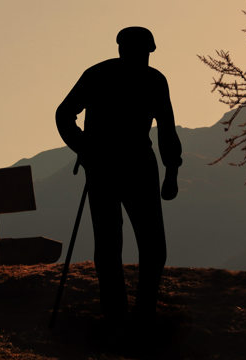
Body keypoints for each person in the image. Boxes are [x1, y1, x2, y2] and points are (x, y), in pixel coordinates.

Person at [55, 27, 182, 333]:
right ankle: (130, 316)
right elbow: (64, 114)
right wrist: (170, 171)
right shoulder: (149, 79)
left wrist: (85, 147)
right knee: (134, 245)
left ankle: (127, 316)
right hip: (127, 166)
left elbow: (64, 115)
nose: (144, 57)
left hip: (112, 167)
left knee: (124, 245)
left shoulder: (102, 75)